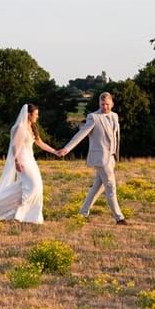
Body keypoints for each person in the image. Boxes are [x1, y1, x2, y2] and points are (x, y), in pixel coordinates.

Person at [57, 92, 127, 224]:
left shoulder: (115, 116)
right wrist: (67, 148)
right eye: (102, 104)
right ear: (98, 104)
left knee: (98, 187)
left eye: (107, 104)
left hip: (111, 157)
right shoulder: (93, 117)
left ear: (112, 103)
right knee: (111, 186)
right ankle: (119, 218)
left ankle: (82, 214)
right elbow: (81, 134)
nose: (105, 107)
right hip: (100, 158)